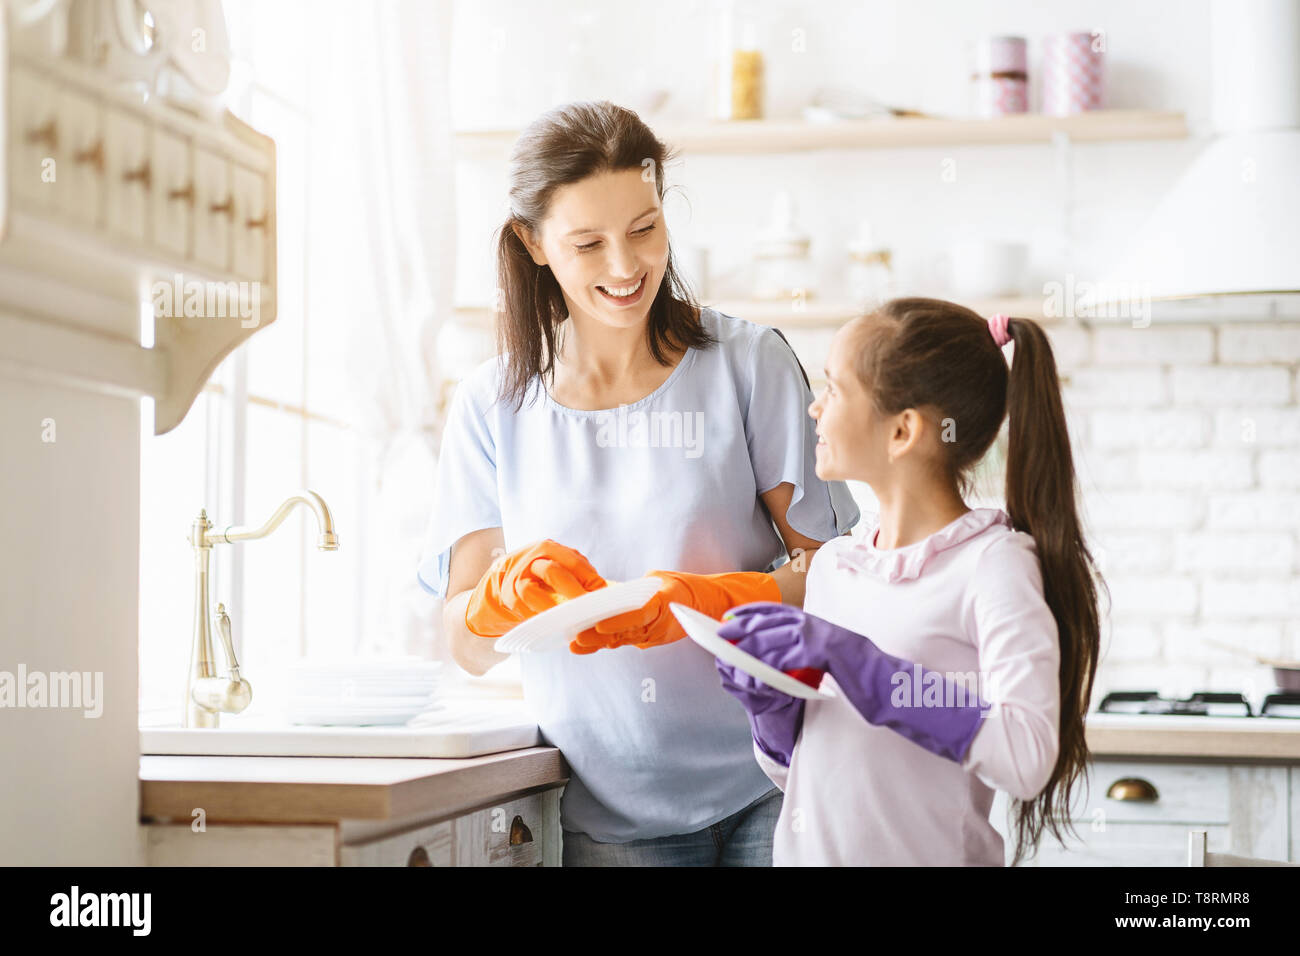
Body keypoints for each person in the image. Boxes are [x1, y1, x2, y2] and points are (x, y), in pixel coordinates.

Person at [416, 101, 859, 866]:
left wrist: (710, 597)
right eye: (587, 243)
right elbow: (465, 645)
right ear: (533, 243)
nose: (625, 268)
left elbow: (843, 577)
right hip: (613, 815)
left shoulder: (747, 366)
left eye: (645, 229)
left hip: (777, 782)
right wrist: (495, 604)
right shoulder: (492, 406)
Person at [717, 298, 1104, 866]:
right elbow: (801, 774)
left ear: (903, 430)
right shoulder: (833, 568)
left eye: (835, 388)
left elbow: (1026, 754)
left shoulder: (993, 565)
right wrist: (771, 712)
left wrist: (868, 669)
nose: (815, 409)